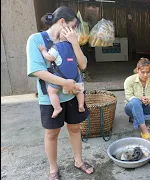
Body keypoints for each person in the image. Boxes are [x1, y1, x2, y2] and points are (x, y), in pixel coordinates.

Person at [27, 6, 94, 180]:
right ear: (62, 22)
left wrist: (74, 43)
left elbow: (83, 65)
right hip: (51, 97)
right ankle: (53, 168)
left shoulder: (69, 41)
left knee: (74, 128)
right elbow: (37, 70)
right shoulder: (36, 40)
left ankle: (78, 161)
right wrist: (65, 82)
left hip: (72, 95)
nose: (74, 31)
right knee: (52, 133)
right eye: (73, 27)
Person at [38, 28, 85, 118]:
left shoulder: (57, 47)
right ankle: (81, 105)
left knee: (51, 92)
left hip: (61, 76)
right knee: (79, 91)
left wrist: (43, 50)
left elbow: (50, 57)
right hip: (75, 76)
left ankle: (57, 108)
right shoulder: (74, 47)